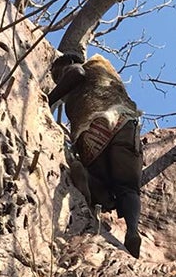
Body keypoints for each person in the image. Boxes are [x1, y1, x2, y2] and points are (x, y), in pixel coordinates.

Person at [48, 52, 143, 257]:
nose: (59, 81)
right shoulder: (107, 74)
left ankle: (84, 175)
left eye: (56, 76)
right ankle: (133, 230)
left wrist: (48, 101)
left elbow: (77, 73)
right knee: (127, 188)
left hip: (92, 128)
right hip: (125, 123)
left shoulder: (79, 67)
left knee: (95, 178)